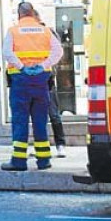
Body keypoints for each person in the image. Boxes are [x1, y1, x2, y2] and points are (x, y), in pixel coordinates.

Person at [1, 2, 63, 171]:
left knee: (20, 120)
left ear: (19, 14)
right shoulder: (45, 31)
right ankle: (44, 160)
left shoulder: (13, 31)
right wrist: (42, 66)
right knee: (40, 120)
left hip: (20, 80)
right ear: (33, 13)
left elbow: (7, 52)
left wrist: (22, 67)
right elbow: (58, 52)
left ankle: (19, 161)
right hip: (41, 81)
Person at [34, 10, 67, 158]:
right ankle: (41, 146)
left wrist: (46, 67)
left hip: (46, 79)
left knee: (53, 114)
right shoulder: (28, 34)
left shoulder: (48, 32)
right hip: (32, 79)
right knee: (38, 116)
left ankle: (60, 145)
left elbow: (57, 53)